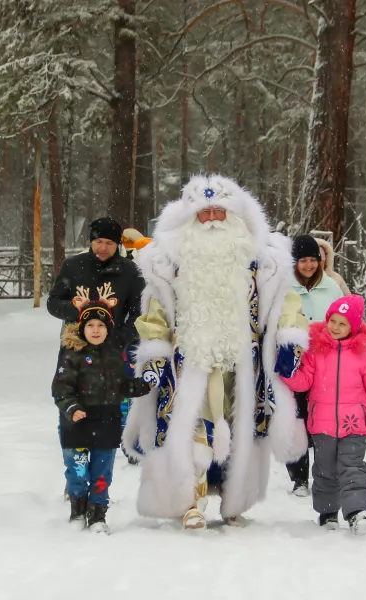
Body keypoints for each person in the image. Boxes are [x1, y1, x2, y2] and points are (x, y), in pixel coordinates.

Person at [122, 174, 310, 529]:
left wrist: (289, 340)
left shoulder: (263, 263)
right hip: (188, 361)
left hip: (243, 366)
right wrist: (154, 355)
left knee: (239, 429)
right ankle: (189, 498)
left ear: (236, 217)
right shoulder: (168, 263)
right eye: (203, 214)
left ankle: (233, 497)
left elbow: (287, 304)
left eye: (218, 213)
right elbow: (155, 312)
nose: (210, 220)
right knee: (190, 424)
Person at [282, 295, 366, 535]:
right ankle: (328, 512)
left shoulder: (363, 354)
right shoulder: (316, 350)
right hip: (321, 424)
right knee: (325, 470)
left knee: (352, 468)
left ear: (353, 327)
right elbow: (304, 382)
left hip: (353, 424)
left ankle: (357, 511)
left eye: (342, 323)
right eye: (332, 320)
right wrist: (287, 373)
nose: (335, 327)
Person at [52, 293, 150, 533]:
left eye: (101, 325)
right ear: (82, 328)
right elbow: (61, 388)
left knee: (102, 473)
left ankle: (97, 515)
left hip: (106, 423)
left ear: (108, 329)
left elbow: (121, 386)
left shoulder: (114, 356)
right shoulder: (71, 355)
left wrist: (143, 385)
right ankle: (77, 509)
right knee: (77, 471)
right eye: (90, 325)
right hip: (76, 424)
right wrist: (72, 408)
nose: (95, 330)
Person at [284, 235, 345, 497]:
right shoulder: (284, 287)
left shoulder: (331, 288)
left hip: (324, 363)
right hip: (294, 362)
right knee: (294, 419)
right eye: (302, 260)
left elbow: (345, 321)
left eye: (313, 260)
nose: (308, 265)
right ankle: (299, 477)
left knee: (319, 419)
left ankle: (323, 472)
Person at [47, 217, 146, 351]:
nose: (103, 248)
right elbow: (53, 302)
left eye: (109, 243)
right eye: (99, 241)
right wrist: (78, 310)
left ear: (117, 244)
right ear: (91, 242)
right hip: (75, 348)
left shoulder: (131, 271)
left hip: (113, 350)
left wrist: (120, 339)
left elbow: (139, 313)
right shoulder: (72, 266)